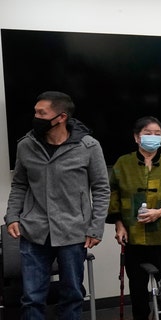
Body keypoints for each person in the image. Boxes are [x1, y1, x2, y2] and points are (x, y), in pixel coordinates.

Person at [4, 91, 110, 320]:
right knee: (31, 297)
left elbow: (101, 189)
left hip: (73, 231)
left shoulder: (89, 147)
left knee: (71, 294)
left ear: (61, 117)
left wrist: (96, 227)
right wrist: (12, 216)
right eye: (35, 112)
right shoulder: (26, 145)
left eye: (42, 113)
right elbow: (20, 185)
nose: (35, 117)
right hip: (34, 231)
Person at [107, 116, 161, 320]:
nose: (153, 137)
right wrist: (119, 225)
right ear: (137, 137)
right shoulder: (123, 164)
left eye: (157, 134)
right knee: (138, 290)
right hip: (133, 237)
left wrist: (160, 212)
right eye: (147, 133)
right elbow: (112, 195)